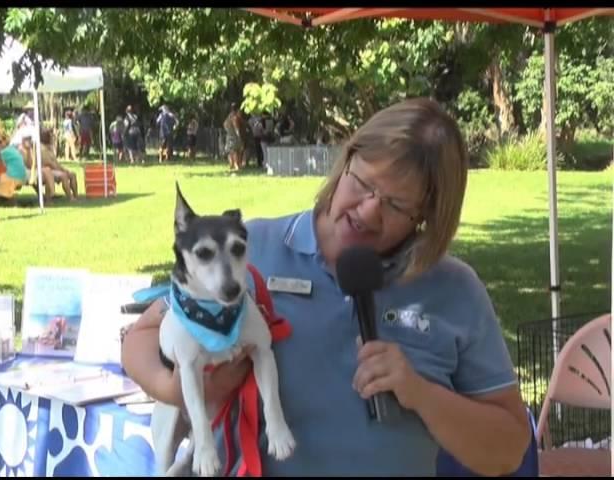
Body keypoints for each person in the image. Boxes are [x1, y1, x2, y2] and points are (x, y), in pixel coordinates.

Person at [121, 98, 531, 476]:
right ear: (346, 160)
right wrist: (176, 387)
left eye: (396, 205)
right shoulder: (255, 250)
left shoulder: (453, 290)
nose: (368, 211)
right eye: (365, 184)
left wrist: (420, 394)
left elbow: (509, 449)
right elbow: (140, 336)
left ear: (425, 218)